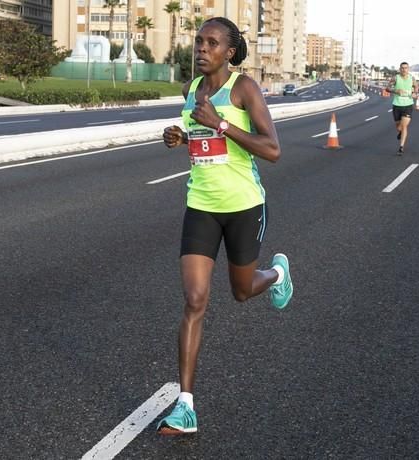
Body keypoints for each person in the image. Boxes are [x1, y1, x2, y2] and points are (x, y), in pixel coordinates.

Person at [157, 16, 294, 436]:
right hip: (200, 204)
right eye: (198, 41)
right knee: (195, 300)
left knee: (240, 291)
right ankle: (185, 406)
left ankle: (276, 274)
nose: (200, 48)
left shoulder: (243, 89)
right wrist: (182, 136)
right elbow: (202, 141)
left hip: (243, 205)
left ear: (229, 52)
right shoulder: (190, 90)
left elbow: (272, 150)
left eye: (211, 43)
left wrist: (220, 122)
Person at [387, 62, 419, 155]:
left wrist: (415, 92)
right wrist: (395, 90)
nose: (404, 70)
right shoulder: (395, 78)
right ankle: (400, 132)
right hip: (397, 105)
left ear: (408, 69)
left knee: (404, 126)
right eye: (402, 68)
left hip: (408, 105)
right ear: (399, 69)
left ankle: (401, 147)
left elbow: (416, 87)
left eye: (406, 68)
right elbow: (387, 88)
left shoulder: (412, 78)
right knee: (398, 127)